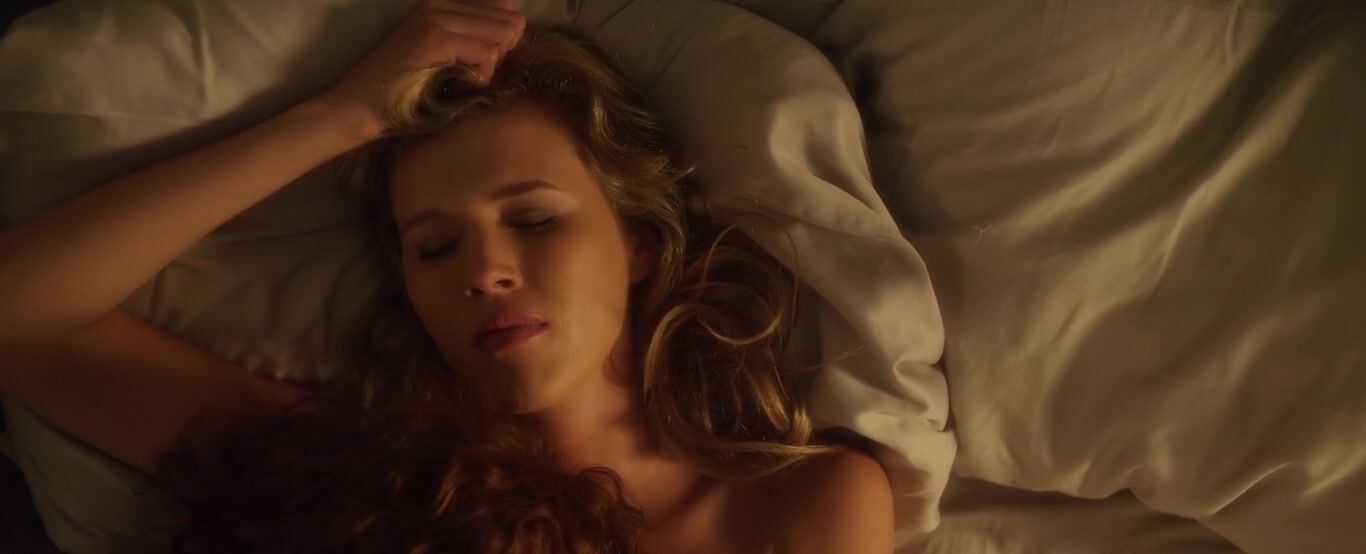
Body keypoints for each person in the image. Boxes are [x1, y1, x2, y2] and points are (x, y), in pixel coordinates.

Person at [0, 0, 894, 552]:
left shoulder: (803, 507)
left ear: (639, 244)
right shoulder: (358, 471)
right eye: (434, 247)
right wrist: (340, 118)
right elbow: (22, 318)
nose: (487, 272)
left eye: (534, 220)